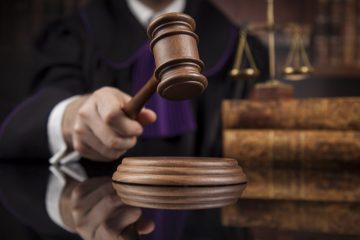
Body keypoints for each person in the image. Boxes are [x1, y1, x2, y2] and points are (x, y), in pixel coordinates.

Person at [0, 0, 268, 239]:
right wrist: (71, 117)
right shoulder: (73, 35)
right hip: (101, 217)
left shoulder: (241, 47)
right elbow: (21, 127)